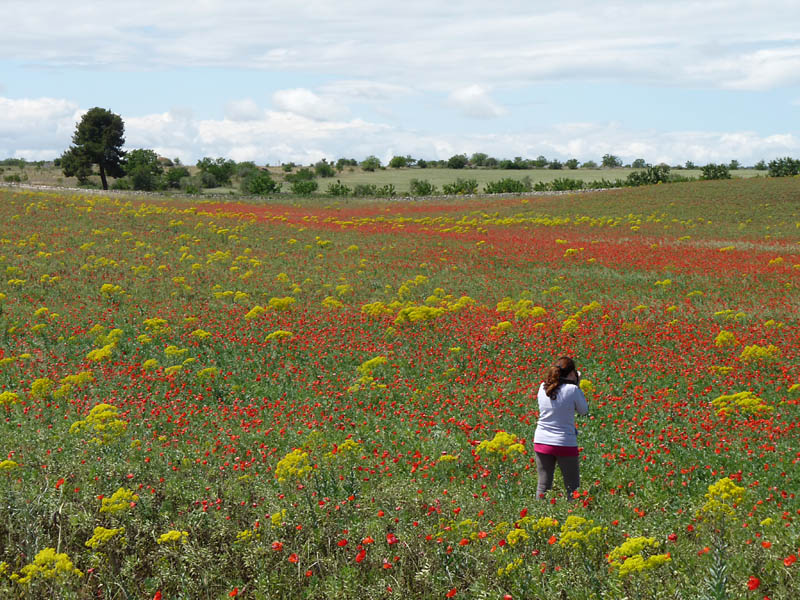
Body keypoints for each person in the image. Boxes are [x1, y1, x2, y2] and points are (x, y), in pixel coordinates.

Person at [533, 356, 589, 500]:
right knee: (572, 487)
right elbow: (583, 410)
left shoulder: (542, 387)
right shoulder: (572, 389)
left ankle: (539, 515)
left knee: (543, 485)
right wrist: (577, 384)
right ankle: (574, 513)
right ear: (571, 374)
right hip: (564, 442)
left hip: (541, 441)